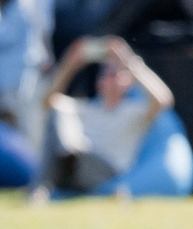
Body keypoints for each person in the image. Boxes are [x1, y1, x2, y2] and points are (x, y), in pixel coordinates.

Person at [41, 35, 172, 194]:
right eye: (107, 73)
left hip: (106, 172)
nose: (111, 77)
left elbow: (164, 100)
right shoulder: (86, 108)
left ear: (128, 81)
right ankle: (45, 184)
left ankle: (41, 189)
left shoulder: (134, 112)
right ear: (99, 82)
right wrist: (70, 64)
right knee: (59, 113)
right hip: (73, 162)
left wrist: (129, 62)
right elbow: (48, 102)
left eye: (117, 72)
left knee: (73, 154)